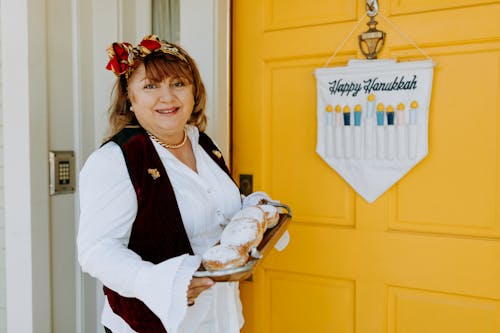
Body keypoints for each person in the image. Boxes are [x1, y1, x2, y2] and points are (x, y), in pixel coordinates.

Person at [77, 34, 273, 333]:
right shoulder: (115, 160)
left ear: (194, 91)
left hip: (219, 318)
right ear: (130, 97)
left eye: (178, 84)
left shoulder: (201, 142)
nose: (167, 97)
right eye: (150, 86)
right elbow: (96, 251)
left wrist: (254, 210)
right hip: (157, 324)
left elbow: (217, 214)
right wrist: (161, 282)